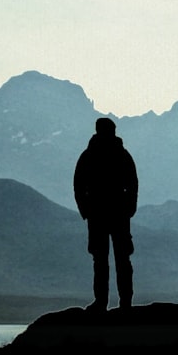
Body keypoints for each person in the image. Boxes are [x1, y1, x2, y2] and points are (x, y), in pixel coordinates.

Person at [73, 117, 138, 312]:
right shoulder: (114, 154)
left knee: (115, 259)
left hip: (110, 214)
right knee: (106, 259)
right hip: (103, 214)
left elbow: (132, 184)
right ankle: (106, 301)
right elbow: (79, 185)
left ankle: (120, 302)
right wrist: (85, 210)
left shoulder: (92, 155)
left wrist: (129, 207)